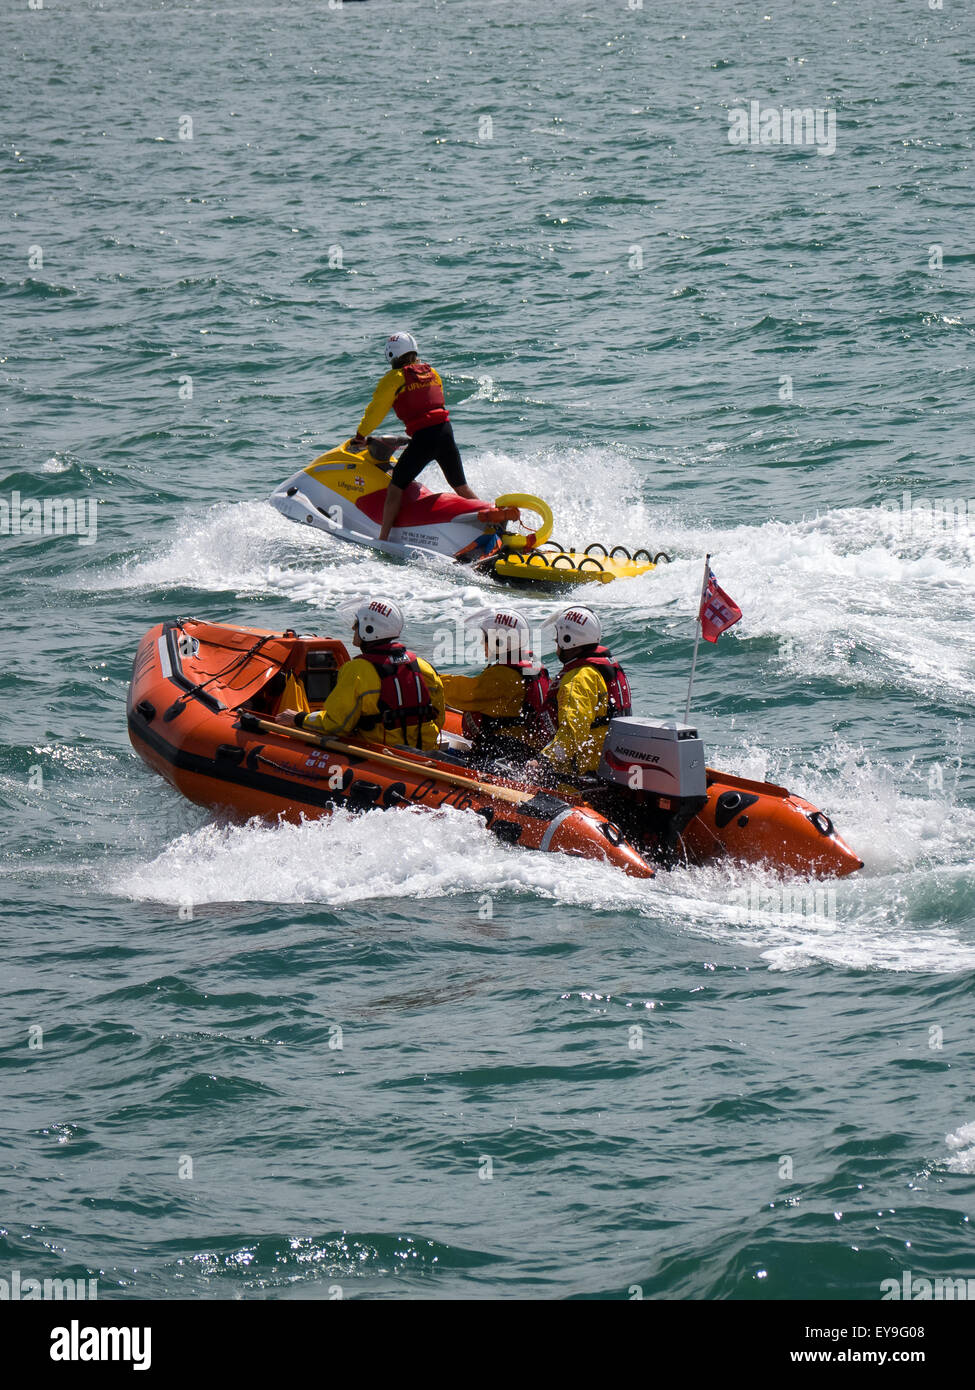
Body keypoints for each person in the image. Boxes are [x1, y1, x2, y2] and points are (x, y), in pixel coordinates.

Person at [350, 332, 480, 540]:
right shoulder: (432, 373)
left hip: (425, 438)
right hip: (445, 432)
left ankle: (383, 539)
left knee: (396, 487)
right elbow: (434, 404)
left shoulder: (394, 378)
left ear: (391, 355)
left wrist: (360, 435)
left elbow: (375, 411)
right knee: (460, 486)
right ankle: (492, 521)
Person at [277, 597, 445, 751]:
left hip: (383, 756)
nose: (353, 628)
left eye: (356, 624)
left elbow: (336, 725)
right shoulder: (423, 666)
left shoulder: (357, 670)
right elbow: (438, 718)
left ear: (369, 629)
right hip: (425, 753)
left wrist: (299, 718)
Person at [526, 606, 632, 782]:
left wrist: (542, 761)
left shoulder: (578, 680)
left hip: (579, 775)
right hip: (606, 767)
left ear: (568, 639)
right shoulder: (596, 670)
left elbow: (572, 734)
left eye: (558, 637)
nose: (555, 641)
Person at [440, 608, 550, 763]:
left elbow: (462, 694)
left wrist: (431, 678)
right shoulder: (532, 665)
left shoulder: (503, 676)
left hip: (502, 752)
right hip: (523, 749)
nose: (481, 642)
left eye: (485, 638)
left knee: (432, 754)